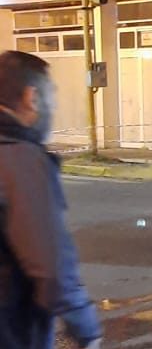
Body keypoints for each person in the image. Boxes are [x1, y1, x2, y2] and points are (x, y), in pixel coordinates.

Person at [0, 51, 102, 349]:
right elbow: (50, 262)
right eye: (51, 96)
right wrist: (85, 326)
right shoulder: (19, 158)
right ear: (32, 98)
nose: (54, 106)